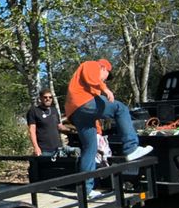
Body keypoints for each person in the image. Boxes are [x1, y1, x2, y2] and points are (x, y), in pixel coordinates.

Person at [63, 58, 153, 200]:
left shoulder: (91, 90)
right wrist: (105, 89)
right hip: (82, 103)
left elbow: (94, 112)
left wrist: (98, 130)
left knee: (90, 149)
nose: (106, 80)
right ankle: (131, 148)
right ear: (104, 68)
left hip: (76, 113)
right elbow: (91, 77)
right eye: (107, 76)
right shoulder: (92, 64)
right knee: (121, 109)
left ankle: (86, 190)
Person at [26, 88, 74, 157]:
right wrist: (36, 147)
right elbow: (32, 130)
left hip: (58, 149)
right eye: (45, 97)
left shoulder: (54, 110)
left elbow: (59, 126)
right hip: (43, 150)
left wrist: (72, 130)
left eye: (50, 97)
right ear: (40, 98)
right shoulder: (34, 111)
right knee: (42, 167)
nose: (48, 99)